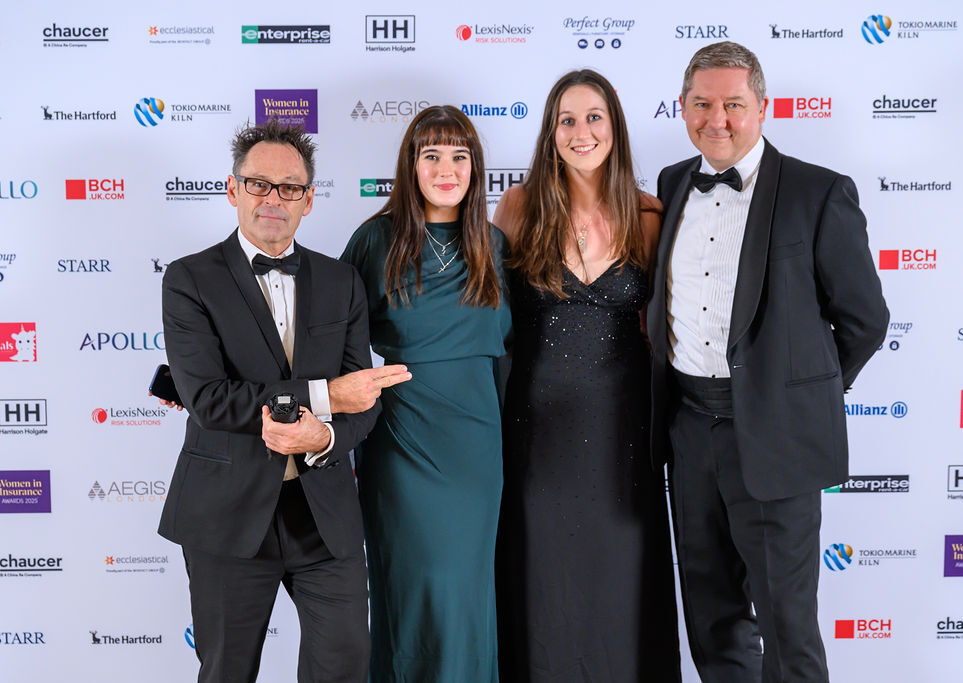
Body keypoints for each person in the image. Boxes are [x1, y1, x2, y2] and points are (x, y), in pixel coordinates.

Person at [648, 42, 889, 682]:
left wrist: (793, 394)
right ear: (682, 107)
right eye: (702, 104)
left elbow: (865, 320)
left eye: (733, 104)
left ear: (763, 107)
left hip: (776, 437)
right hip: (688, 431)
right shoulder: (672, 184)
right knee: (712, 618)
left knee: (787, 627)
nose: (716, 119)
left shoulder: (819, 191)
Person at [158, 119, 410, 683]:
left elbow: (364, 399)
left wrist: (326, 436)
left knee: (344, 665)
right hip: (227, 513)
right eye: (258, 184)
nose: (273, 198)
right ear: (233, 190)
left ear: (309, 200)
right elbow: (209, 400)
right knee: (227, 670)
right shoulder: (188, 280)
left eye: (290, 187)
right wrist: (325, 395)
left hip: (322, 515)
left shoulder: (342, 281)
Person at [493, 69, 680, 682]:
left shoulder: (649, 215)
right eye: (567, 120)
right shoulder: (518, 208)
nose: (581, 131)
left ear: (614, 126)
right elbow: (487, 314)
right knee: (542, 582)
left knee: (620, 579)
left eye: (594, 117)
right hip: (535, 431)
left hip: (624, 432)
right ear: (550, 133)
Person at [340, 105, 511, 682]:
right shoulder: (375, 239)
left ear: (475, 167)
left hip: (477, 451)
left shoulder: (494, 244)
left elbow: (521, 346)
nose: (446, 169)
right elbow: (324, 333)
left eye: (459, 156)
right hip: (402, 444)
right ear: (410, 166)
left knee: (467, 592)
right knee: (411, 588)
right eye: (431, 155)